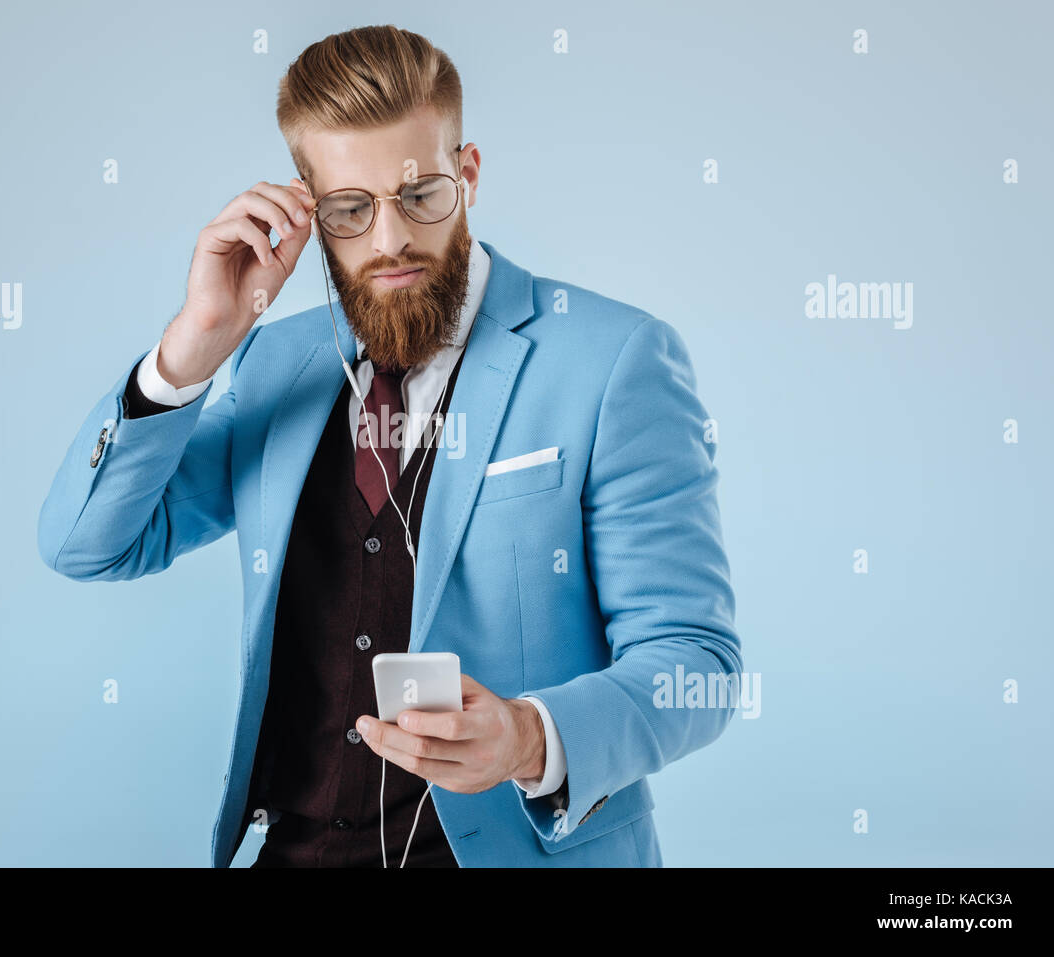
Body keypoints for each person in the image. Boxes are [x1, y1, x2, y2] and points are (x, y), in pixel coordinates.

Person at [37, 24, 741, 868]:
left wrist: (527, 737)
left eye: (421, 195)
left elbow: (695, 664)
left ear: (469, 175)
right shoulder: (274, 364)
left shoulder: (612, 360)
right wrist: (190, 348)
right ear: (307, 209)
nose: (388, 240)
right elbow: (88, 546)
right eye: (350, 209)